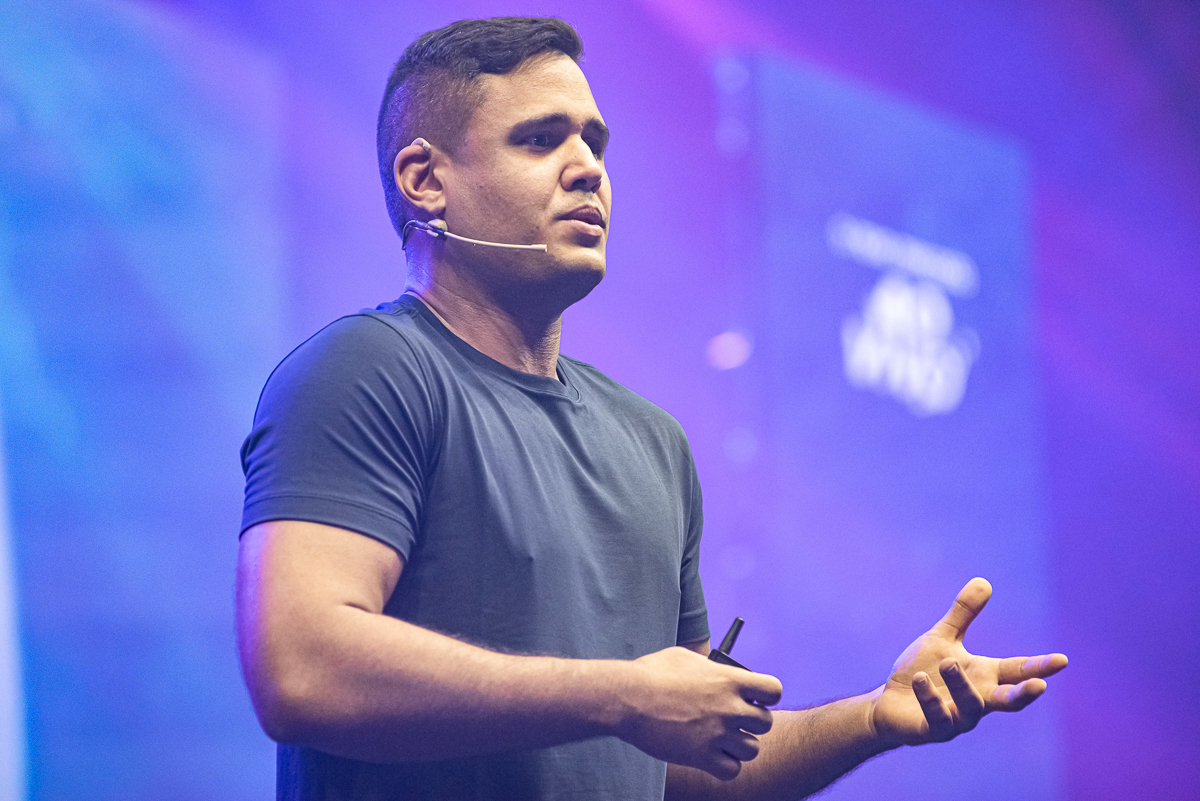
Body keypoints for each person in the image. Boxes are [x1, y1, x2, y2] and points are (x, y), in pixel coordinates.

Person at [236, 16, 1067, 801]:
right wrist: (626, 692)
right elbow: (302, 668)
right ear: (426, 181)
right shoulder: (366, 370)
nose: (587, 167)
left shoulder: (652, 440)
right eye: (540, 139)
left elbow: (683, 759)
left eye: (594, 142)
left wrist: (873, 719)